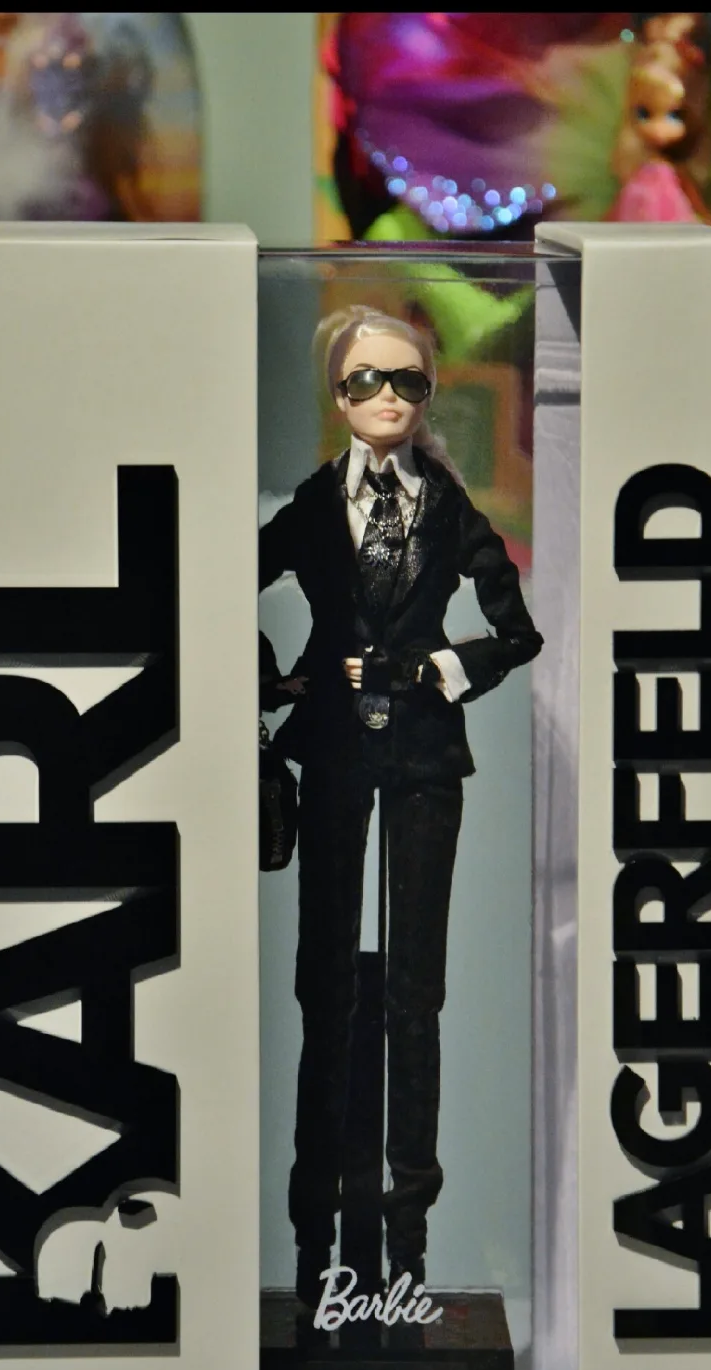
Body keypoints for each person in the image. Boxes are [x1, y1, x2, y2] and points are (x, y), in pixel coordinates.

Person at [260, 307, 543, 1309]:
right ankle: (317, 1234)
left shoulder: (447, 506)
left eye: (406, 382)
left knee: (415, 994)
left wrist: (438, 667)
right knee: (324, 988)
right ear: (336, 396)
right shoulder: (312, 504)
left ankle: (407, 1238)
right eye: (363, 382)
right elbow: (218, 586)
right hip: (335, 752)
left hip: (423, 757)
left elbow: (516, 633)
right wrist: (270, 677)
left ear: (427, 392)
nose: (385, 398)